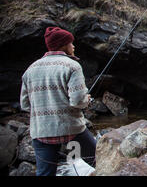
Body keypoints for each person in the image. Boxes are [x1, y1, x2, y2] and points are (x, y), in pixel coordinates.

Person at [20, 26, 96, 176]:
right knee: (101, 160)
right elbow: (78, 101)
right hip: (71, 129)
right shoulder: (72, 66)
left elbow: (25, 104)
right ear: (64, 46)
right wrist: (87, 99)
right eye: (71, 43)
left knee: (44, 173)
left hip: (41, 131)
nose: (73, 46)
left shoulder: (30, 69)